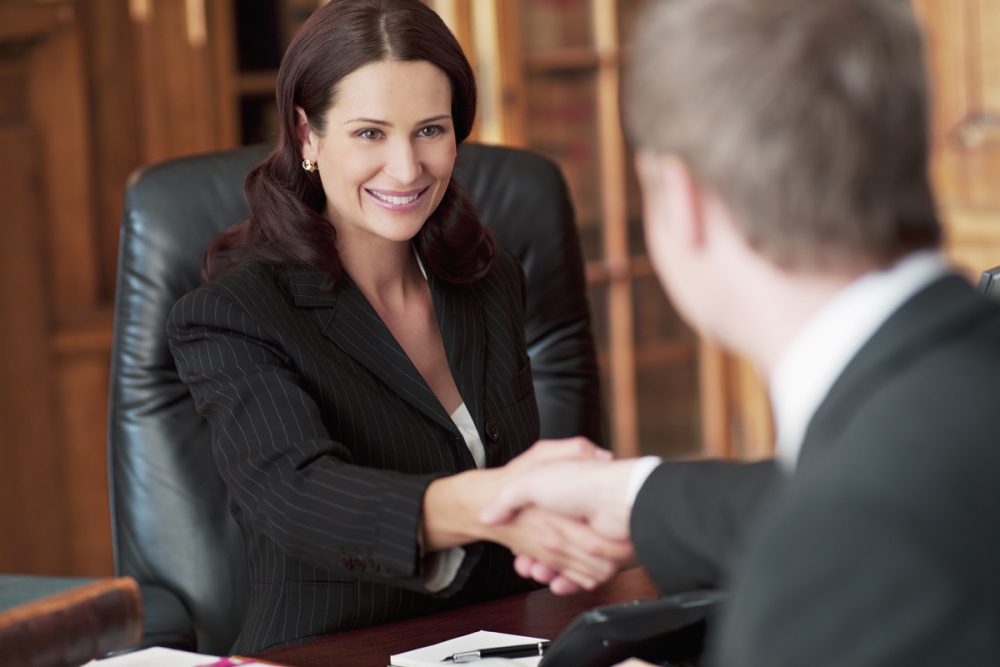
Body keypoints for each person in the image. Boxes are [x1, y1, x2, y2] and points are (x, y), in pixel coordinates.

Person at [482, 0, 1000, 664]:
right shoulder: (950, 396)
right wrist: (636, 494)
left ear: (684, 199)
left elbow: (857, 519)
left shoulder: (834, 560)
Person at [166, 0, 629, 653]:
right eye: (369, 133)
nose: (408, 168)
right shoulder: (234, 314)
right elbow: (299, 496)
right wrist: (492, 499)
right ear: (307, 137)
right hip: (331, 649)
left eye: (430, 130)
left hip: (505, 640)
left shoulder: (488, 279)